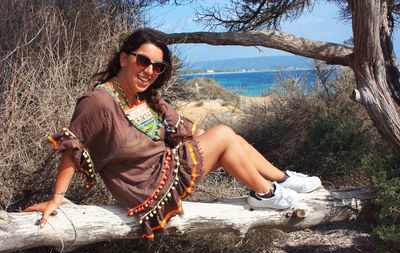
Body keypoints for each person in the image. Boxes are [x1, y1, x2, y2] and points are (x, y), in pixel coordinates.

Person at [24, 28, 321, 240]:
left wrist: (218, 143)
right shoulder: (99, 101)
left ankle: (281, 179)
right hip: (147, 187)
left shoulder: (146, 97)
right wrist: (57, 198)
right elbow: (72, 147)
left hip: (165, 168)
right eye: (143, 61)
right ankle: (266, 193)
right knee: (224, 135)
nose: (149, 71)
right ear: (124, 58)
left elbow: (190, 129)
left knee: (228, 138)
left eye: (157, 66)